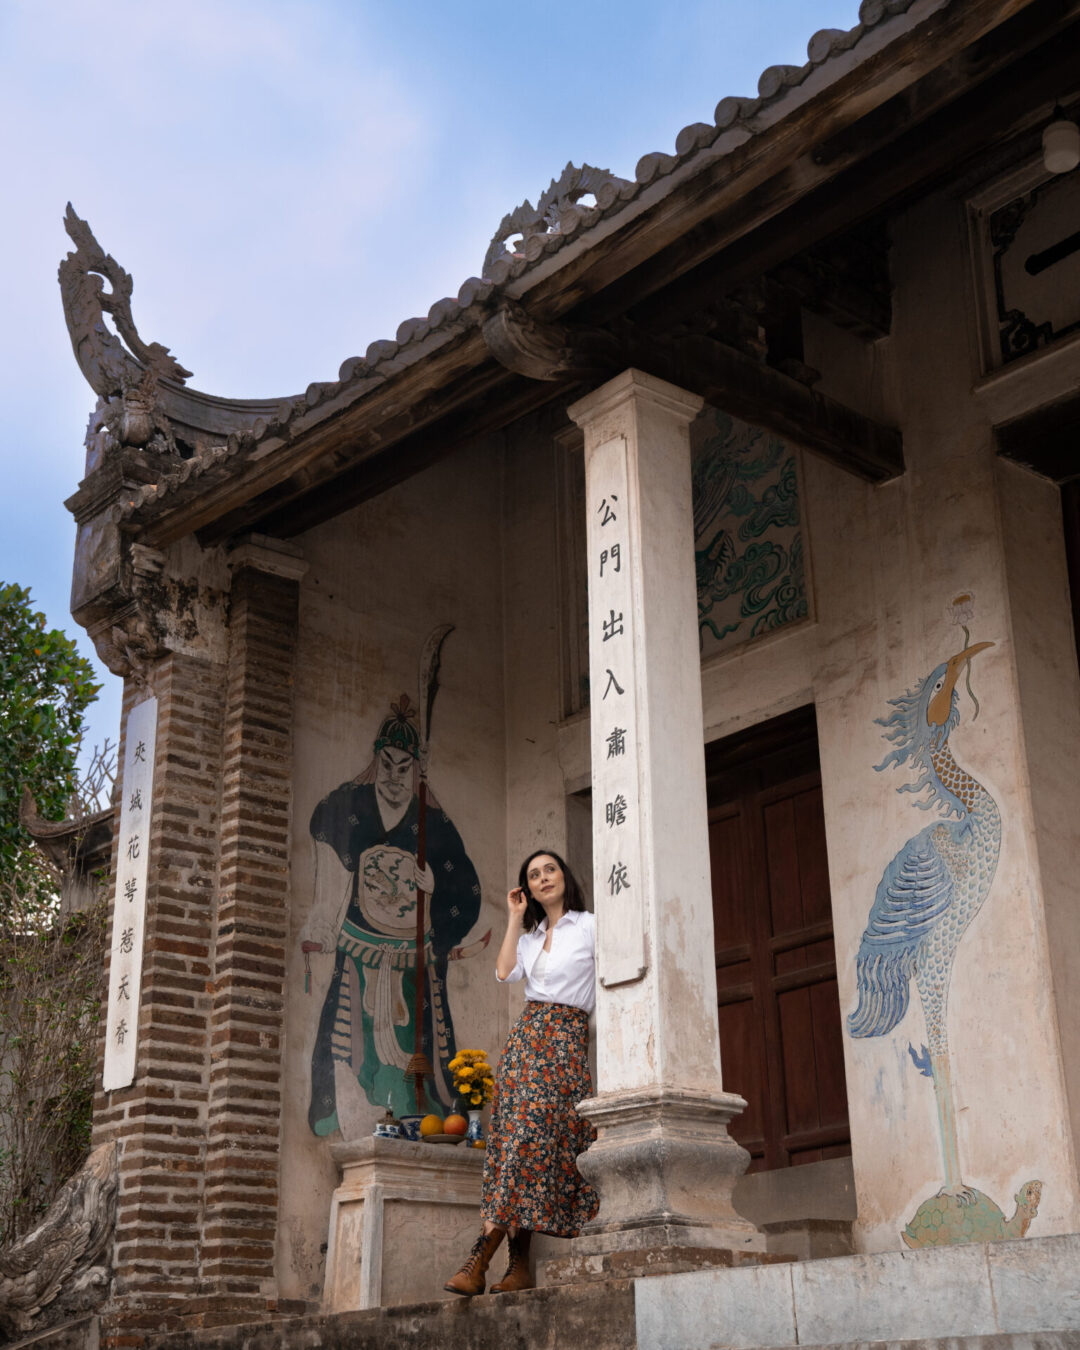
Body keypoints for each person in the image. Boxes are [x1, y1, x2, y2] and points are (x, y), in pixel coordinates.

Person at [302, 694, 482, 1132]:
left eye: (405, 769)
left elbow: (467, 888)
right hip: (358, 944)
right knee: (354, 1036)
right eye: (387, 766)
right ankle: (349, 1110)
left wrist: (434, 887)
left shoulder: (434, 824)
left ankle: (418, 1115)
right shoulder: (350, 806)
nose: (394, 779)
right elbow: (325, 849)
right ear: (375, 763)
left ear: (417, 770)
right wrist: (326, 924)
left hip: (411, 955)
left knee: (413, 1038)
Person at [443, 849, 598, 1297]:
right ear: (526, 889)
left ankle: (481, 1256)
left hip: (565, 1044)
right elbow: (504, 971)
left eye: (550, 870)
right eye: (533, 875)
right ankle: (517, 1267)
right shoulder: (530, 938)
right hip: (526, 1042)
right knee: (513, 1145)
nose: (543, 878)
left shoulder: (589, 926)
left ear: (565, 876)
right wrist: (514, 918)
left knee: (533, 1144)